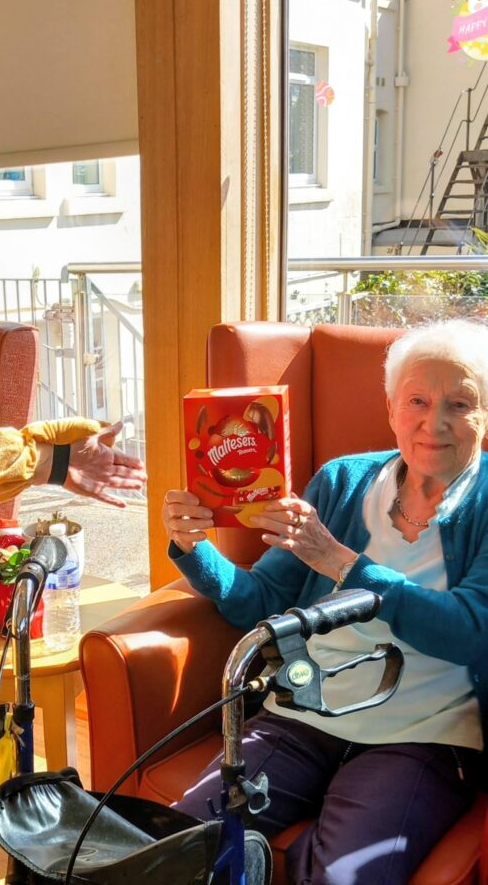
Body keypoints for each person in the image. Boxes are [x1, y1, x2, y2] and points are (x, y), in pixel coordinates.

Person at [161, 319, 488, 885]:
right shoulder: (340, 481)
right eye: (417, 400)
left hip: (423, 733)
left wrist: (342, 563)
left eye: (460, 404)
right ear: (390, 409)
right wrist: (193, 549)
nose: (434, 422)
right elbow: (259, 602)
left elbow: (469, 631)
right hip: (301, 714)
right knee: (179, 850)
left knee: (344, 876)